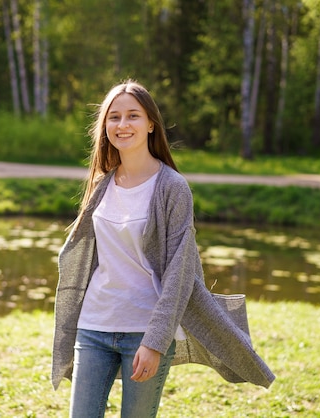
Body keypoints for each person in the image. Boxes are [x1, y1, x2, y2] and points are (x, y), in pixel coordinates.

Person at [51, 80, 275, 418]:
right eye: (114, 117)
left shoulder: (172, 187)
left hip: (145, 329)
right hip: (94, 324)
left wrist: (156, 341)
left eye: (132, 116)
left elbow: (180, 273)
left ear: (151, 123)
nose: (122, 125)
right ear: (104, 126)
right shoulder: (102, 183)